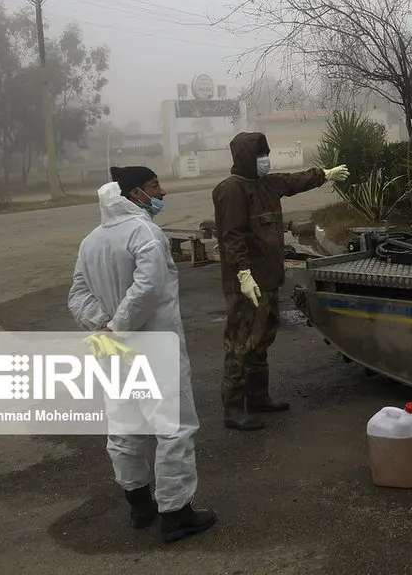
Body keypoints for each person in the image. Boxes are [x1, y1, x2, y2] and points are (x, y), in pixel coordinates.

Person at [67, 165, 217, 543]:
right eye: (155, 186)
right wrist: (118, 328)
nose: (162, 192)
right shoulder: (145, 233)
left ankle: (139, 505)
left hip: (112, 352)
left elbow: (78, 296)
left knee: (124, 427)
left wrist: (103, 327)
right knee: (173, 429)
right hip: (153, 348)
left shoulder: (91, 241)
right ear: (134, 193)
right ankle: (175, 513)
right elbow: (148, 288)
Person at [212, 132, 348, 431]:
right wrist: (243, 273)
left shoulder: (267, 184)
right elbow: (232, 236)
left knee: (262, 338)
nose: (265, 160)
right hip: (245, 284)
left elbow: (294, 181)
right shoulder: (231, 190)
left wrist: (324, 174)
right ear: (247, 157)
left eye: (266, 154)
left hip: (269, 280)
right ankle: (233, 409)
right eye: (261, 155)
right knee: (240, 342)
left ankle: (258, 397)